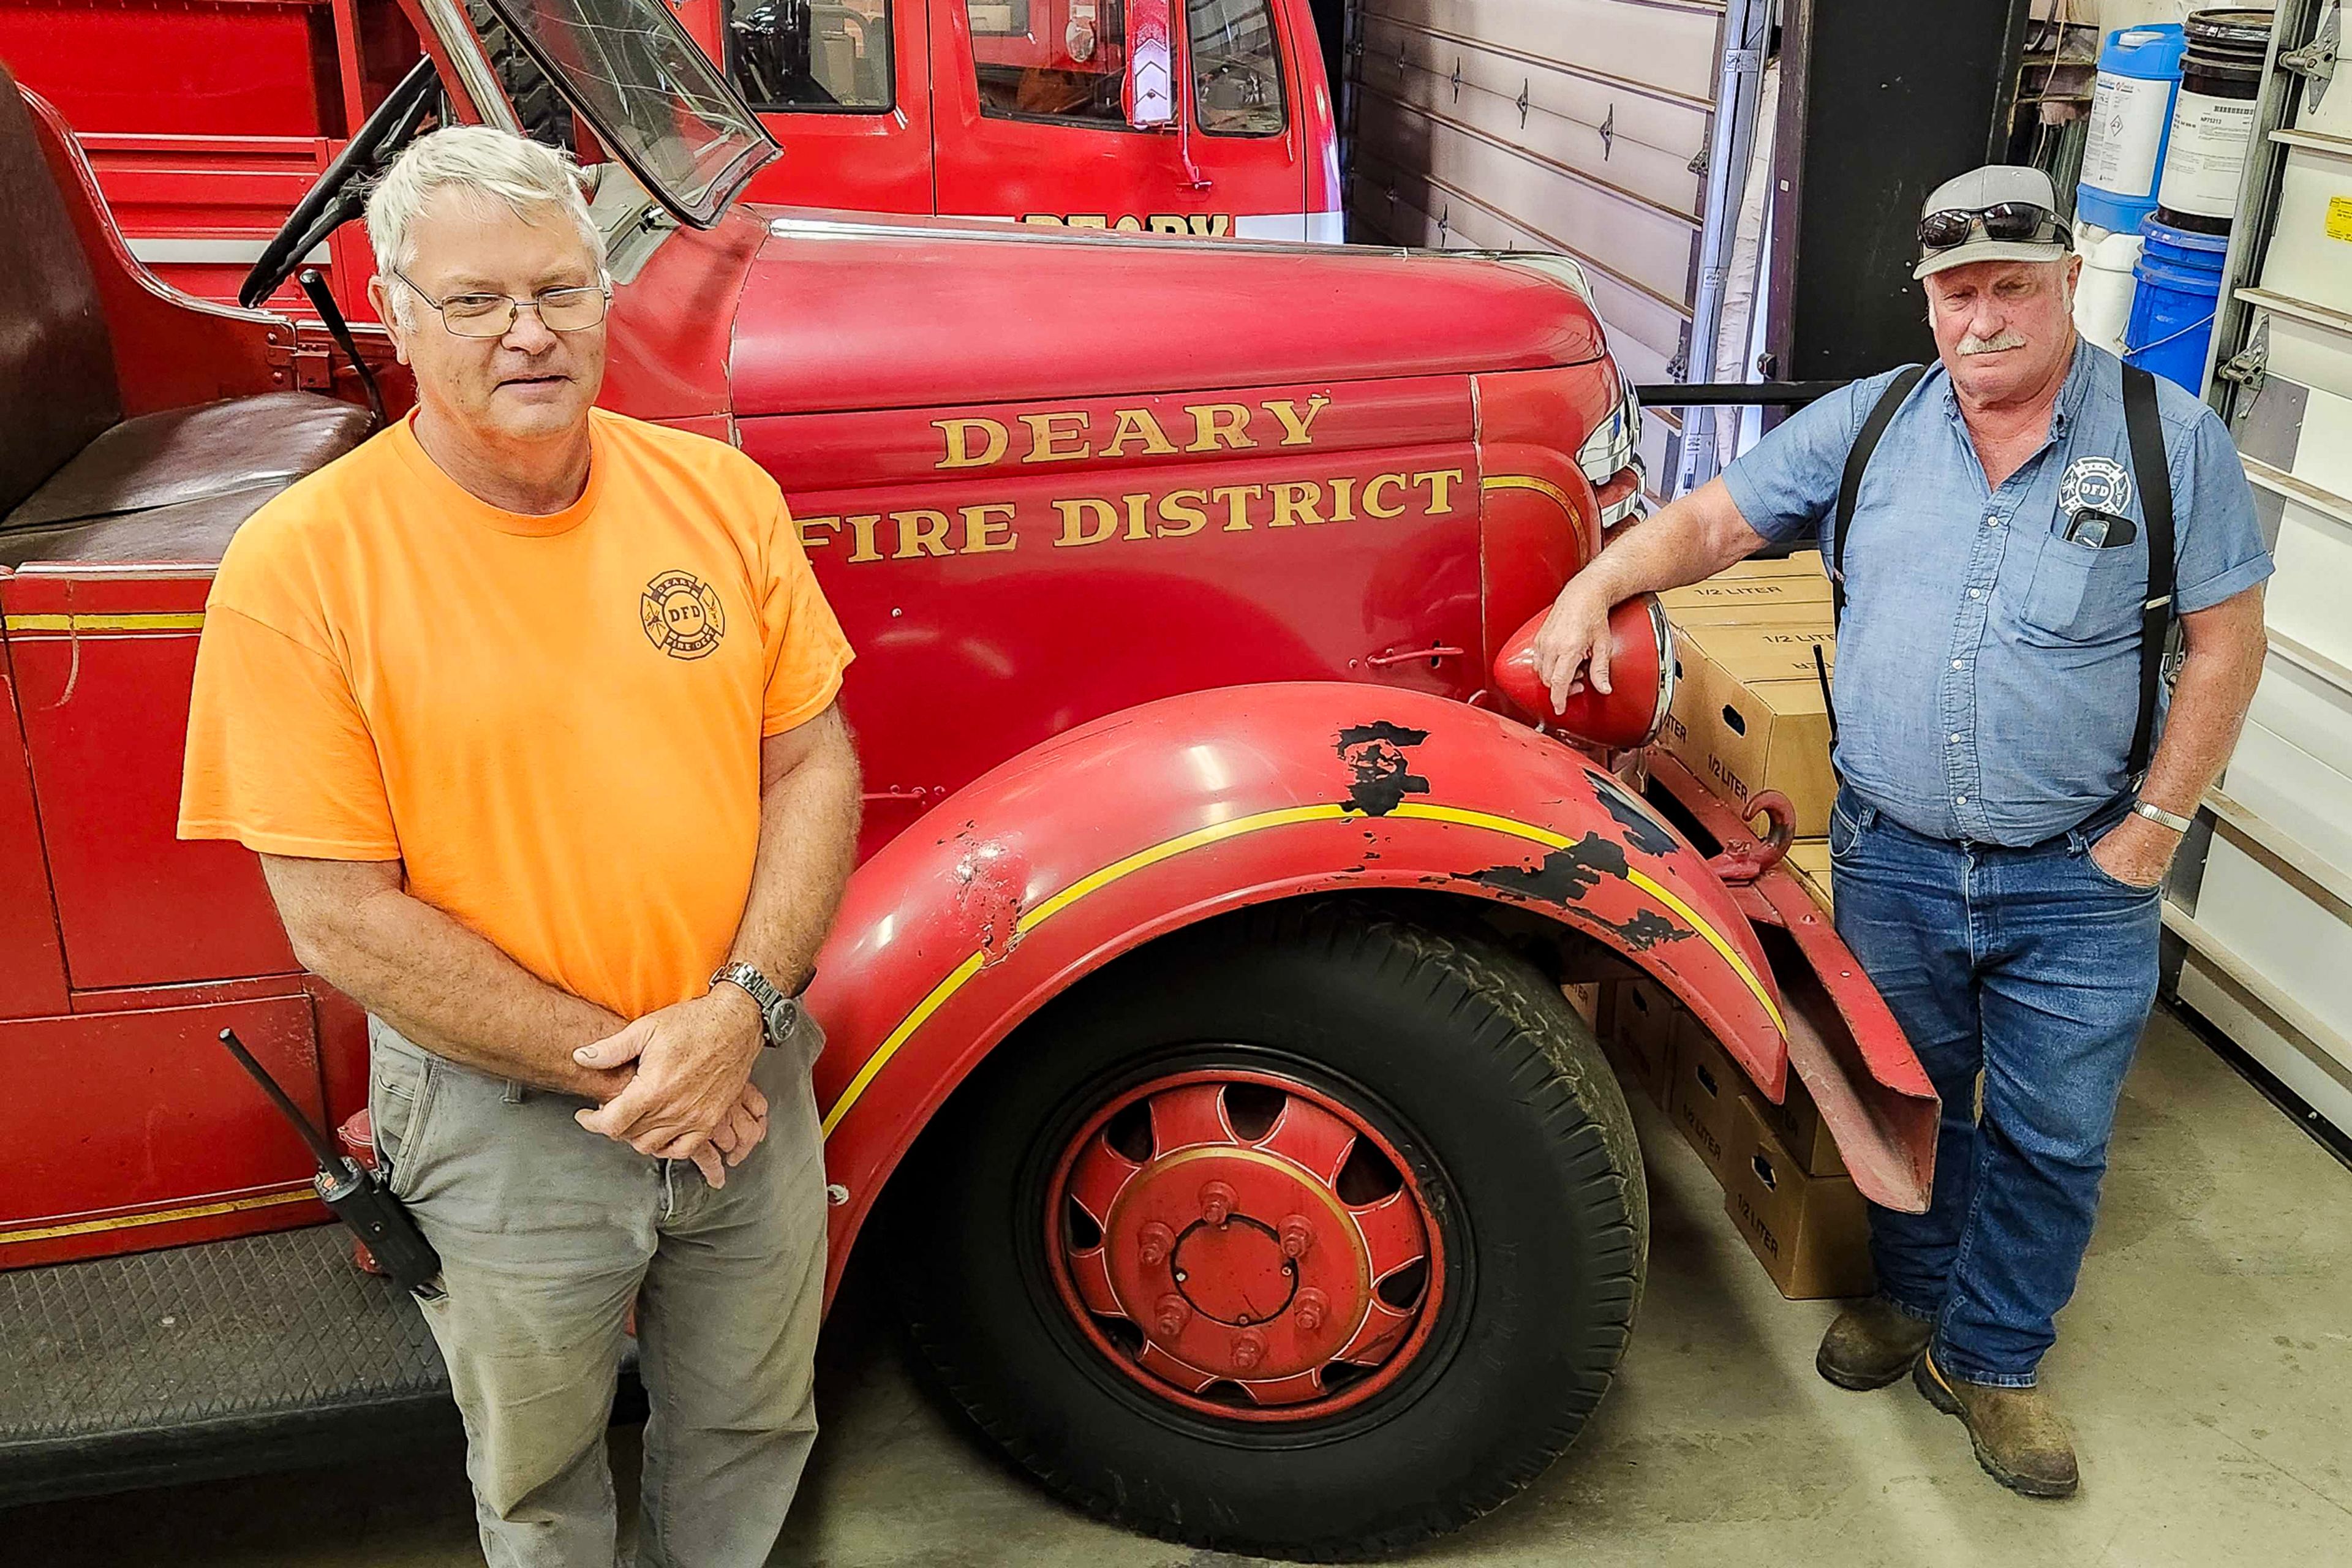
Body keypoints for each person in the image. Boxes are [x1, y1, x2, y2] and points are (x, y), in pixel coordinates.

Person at [1531, 164, 2269, 1499]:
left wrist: (2157, 827)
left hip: (2082, 876)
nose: (1982, 320)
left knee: (2053, 1133)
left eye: (2010, 289)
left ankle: (1994, 1356)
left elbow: (2227, 642)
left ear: (2064, 285)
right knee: (1905, 1100)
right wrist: (1596, 583)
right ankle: (1918, 1298)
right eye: (1957, 293)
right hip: (1896, 859)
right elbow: (1709, 519)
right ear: (1927, 299)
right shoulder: (1870, 425)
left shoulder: (2169, 440)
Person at [178, 125, 862, 1565]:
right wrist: (649, 1067)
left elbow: (812, 759)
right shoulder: (301, 570)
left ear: (605, 292)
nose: (529, 333)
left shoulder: (721, 498)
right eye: (476, 302)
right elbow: (340, 918)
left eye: (560, 289)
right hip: (507, 1119)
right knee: (540, 1471)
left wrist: (738, 1014)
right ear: (397, 314)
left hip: (743, 1058)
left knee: (753, 1420)